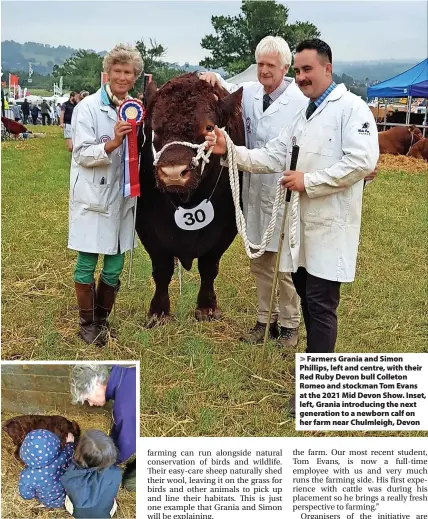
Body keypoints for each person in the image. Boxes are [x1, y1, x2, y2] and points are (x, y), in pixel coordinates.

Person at [206, 39, 379, 411]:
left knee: (320, 306)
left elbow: (362, 161)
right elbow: (271, 156)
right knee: (306, 295)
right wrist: (229, 151)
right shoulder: (304, 116)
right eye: (298, 71)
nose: (301, 77)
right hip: (300, 228)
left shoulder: (352, 109)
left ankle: (315, 396)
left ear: (328, 68)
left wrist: (308, 182)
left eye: (307, 70)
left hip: (329, 226)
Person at [200, 36, 307, 348]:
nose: (263, 70)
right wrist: (209, 76)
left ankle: (289, 324)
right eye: (260, 64)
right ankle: (266, 319)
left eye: (270, 65)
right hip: (252, 188)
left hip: (282, 190)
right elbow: (225, 89)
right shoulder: (250, 93)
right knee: (259, 261)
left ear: (285, 67)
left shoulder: (300, 103)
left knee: (284, 264)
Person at [68, 43, 143, 346]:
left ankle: (102, 319)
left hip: (123, 197)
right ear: (107, 73)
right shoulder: (87, 108)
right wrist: (112, 144)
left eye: (128, 72)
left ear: (134, 76)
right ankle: (87, 324)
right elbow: (82, 154)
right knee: (87, 260)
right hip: (93, 195)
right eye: (118, 71)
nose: (123, 77)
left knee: (114, 264)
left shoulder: (136, 109)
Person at [69, 364, 136, 490]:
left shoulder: (123, 409)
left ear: (97, 384)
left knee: (129, 483)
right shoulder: (124, 374)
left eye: (88, 398)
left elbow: (129, 443)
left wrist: (102, 461)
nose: (90, 403)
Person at [61, 430, 122, 518]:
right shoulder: (115, 472)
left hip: (76, 513)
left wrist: (70, 445)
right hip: (105, 514)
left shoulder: (71, 471)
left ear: (79, 453)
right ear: (110, 453)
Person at [19, 429, 75, 508]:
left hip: (48, 501)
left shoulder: (27, 476)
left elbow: (26, 495)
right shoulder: (61, 458)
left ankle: (45, 505)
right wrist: (70, 443)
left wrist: (34, 493)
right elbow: (69, 452)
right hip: (67, 494)